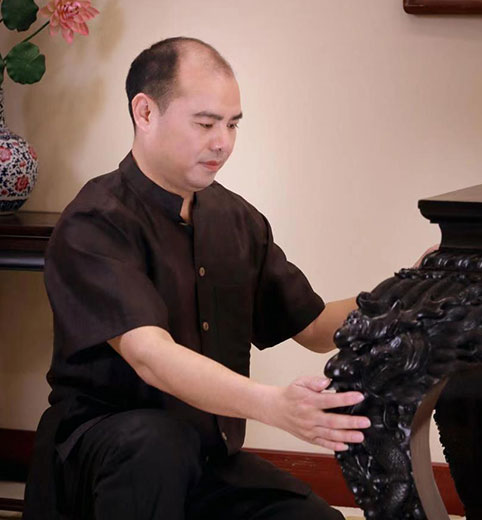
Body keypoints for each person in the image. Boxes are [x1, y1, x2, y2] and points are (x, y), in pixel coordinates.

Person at [24, 37, 374, 520]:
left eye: (232, 124)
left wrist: (410, 288)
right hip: (107, 459)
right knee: (156, 443)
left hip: (203, 461)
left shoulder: (236, 219)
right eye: (206, 124)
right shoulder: (95, 220)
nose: (222, 142)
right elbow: (151, 356)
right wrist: (274, 405)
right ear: (145, 112)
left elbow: (314, 328)